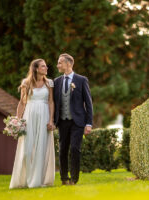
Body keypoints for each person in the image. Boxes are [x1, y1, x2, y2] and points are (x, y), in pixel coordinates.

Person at [9, 59, 55, 189]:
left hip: (44, 115)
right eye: (43, 66)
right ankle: (25, 180)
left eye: (46, 66)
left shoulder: (49, 83)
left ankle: (37, 181)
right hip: (29, 116)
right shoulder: (26, 83)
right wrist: (17, 121)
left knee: (41, 148)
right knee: (27, 150)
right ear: (35, 69)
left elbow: (51, 102)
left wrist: (51, 120)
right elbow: (22, 103)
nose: (46, 68)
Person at [53, 53, 93, 185]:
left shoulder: (81, 80)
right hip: (62, 121)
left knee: (75, 149)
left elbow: (88, 103)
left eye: (60, 63)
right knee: (63, 149)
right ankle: (64, 178)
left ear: (68, 64)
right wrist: (53, 121)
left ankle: (74, 179)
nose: (58, 65)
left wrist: (89, 123)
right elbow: (53, 103)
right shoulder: (56, 81)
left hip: (78, 121)